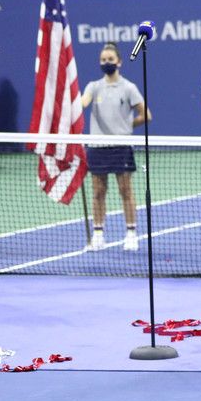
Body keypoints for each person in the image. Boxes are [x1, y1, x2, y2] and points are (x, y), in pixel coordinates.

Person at [81, 42, 151, 251]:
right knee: (98, 191)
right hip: (97, 147)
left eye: (110, 59)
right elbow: (82, 103)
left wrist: (126, 126)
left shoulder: (128, 88)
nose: (106, 63)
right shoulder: (93, 86)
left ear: (119, 62)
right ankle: (98, 235)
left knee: (125, 190)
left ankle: (131, 234)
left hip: (121, 146)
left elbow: (146, 115)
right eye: (103, 60)